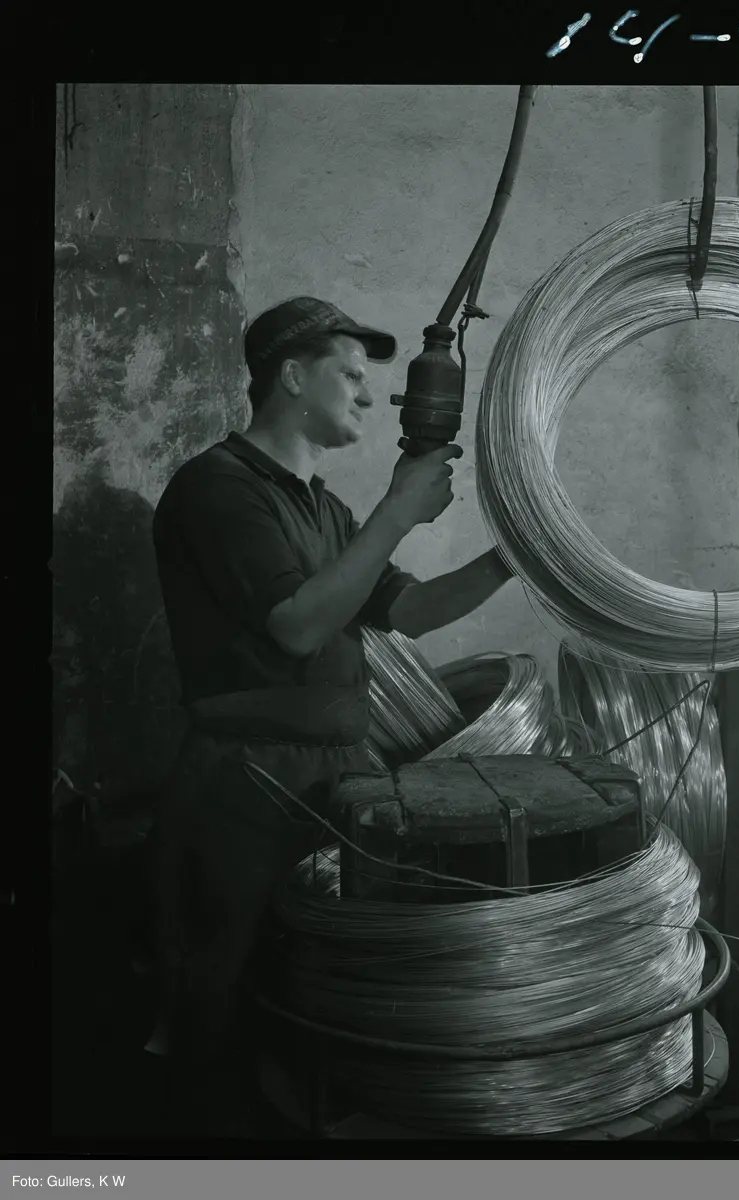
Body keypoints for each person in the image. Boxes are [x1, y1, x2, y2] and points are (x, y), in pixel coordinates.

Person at [149, 296, 514, 1135]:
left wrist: (514, 556)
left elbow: (409, 611)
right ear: (290, 376)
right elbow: (298, 626)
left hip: (334, 776)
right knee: (225, 991)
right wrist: (397, 511)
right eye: (349, 375)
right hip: (247, 783)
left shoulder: (320, 508)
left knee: (324, 990)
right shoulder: (218, 489)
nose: (369, 393)